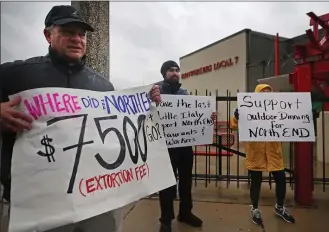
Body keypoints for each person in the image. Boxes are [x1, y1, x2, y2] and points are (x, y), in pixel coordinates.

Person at [0, 5, 161, 232]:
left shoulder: (103, 86)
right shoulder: (17, 75)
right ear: (48, 34)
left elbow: (119, 130)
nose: (77, 39)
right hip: (37, 205)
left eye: (82, 34)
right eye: (68, 31)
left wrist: (147, 103)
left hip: (96, 202)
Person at [230, 84, 295, 225]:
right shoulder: (247, 109)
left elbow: (290, 122)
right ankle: (254, 208)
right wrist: (236, 117)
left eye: (268, 92)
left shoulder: (277, 109)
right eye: (263, 92)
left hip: (274, 152)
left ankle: (279, 207)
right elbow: (233, 125)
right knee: (256, 182)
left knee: (281, 179)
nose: (266, 94)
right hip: (256, 152)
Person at [156, 60, 202, 232]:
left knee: (186, 182)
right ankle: (166, 220)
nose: (175, 73)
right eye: (171, 70)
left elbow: (193, 116)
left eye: (177, 70)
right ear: (164, 73)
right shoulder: (156, 91)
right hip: (165, 147)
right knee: (167, 184)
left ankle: (185, 213)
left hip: (185, 146)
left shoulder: (185, 93)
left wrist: (206, 118)